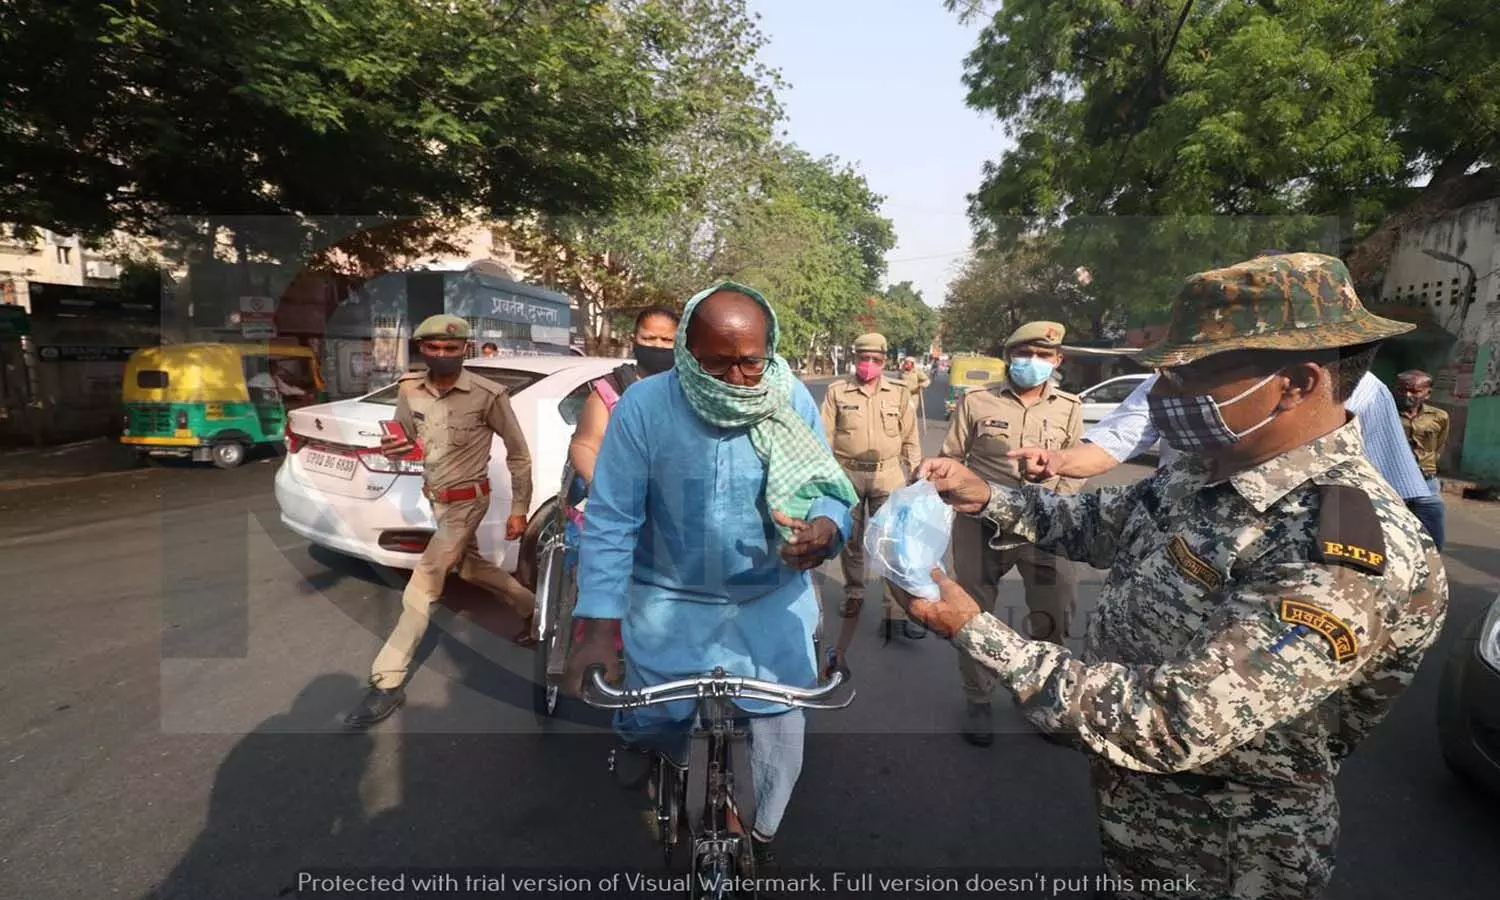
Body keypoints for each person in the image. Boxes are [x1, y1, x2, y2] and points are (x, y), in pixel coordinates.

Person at [910, 252, 1448, 899]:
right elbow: (1101, 523)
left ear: (1298, 383)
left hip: (1230, 850)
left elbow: (1174, 719)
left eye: (1191, 376)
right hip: (1144, 814)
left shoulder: (1341, 544)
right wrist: (984, 495)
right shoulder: (1207, 467)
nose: (1162, 397)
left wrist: (976, 630)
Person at [564, 281, 855, 868]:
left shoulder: (789, 396)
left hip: (770, 602)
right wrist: (597, 625)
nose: (734, 379)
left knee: (782, 733)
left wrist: (826, 528)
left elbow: (826, 487)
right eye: (715, 363)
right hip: (668, 599)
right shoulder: (645, 407)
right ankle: (649, 748)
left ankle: (763, 834)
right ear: (685, 353)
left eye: (750, 362)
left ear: (769, 351)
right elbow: (614, 518)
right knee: (649, 722)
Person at [344, 314, 537, 729]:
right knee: (470, 567)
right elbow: (406, 441)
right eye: (434, 348)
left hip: (469, 502)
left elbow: (519, 453)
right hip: (436, 500)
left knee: (424, 584)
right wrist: (394, 447)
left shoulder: (488, 394)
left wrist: (520, 507)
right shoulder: (410, 389)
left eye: (452, 348)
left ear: (465, 349)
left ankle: (386, 680)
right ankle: (530, 608)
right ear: (422, 349)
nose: (443, 355)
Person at [1020, 362, 1433, 512]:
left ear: (1295, 385)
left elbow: (1405, 495)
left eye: (1216, 366)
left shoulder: (1364, 393)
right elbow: (1113, 445)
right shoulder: (1172, 385)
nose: (1178, 391)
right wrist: (1058, 462)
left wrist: (976, 630)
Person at [941, 320, 1083, 747]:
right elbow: (952, 457)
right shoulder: (977, 402)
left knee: (1054, 613)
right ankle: (978, 700)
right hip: (980, 526)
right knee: (973, 614)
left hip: (1043, 531)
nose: (1034, 363)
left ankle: (1046, 699)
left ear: (1057, 361)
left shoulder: (1070, 407)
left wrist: (1054, 509)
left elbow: (1072, 467)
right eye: (1026, 354)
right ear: (1010, 357)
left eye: (1044, 356)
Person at [819, 332, 922, 641]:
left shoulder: (900, 393)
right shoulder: (838, 392)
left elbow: (910, 437)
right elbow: (823, 435)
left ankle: (895, 611)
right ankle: (855, 593)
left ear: (884, 361)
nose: (868, 365)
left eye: (875, 360)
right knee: (852, 539)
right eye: (863, 359)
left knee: (892, 542)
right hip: (847, 474)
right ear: (855, 360)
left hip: (889, 474)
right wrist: (824, 476)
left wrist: (917, 475)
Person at [567, 307, 680, 485]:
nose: (658, 345)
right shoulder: (611, 389)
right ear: (633, 340)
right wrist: (605, 488)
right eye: (649, 338)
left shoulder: (692, 391)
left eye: (667, 340)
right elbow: (585, 445)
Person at [1395, 369, 1449, 550]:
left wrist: (1428, 467)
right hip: (1393, 481)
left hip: (1426, 483)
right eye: (1403, 390)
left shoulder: (1439, 417)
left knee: (1434, 532)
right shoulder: (1388, 414)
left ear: (1427, 393)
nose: (1407, 395)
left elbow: (1439, 446)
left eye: (1415, 391)